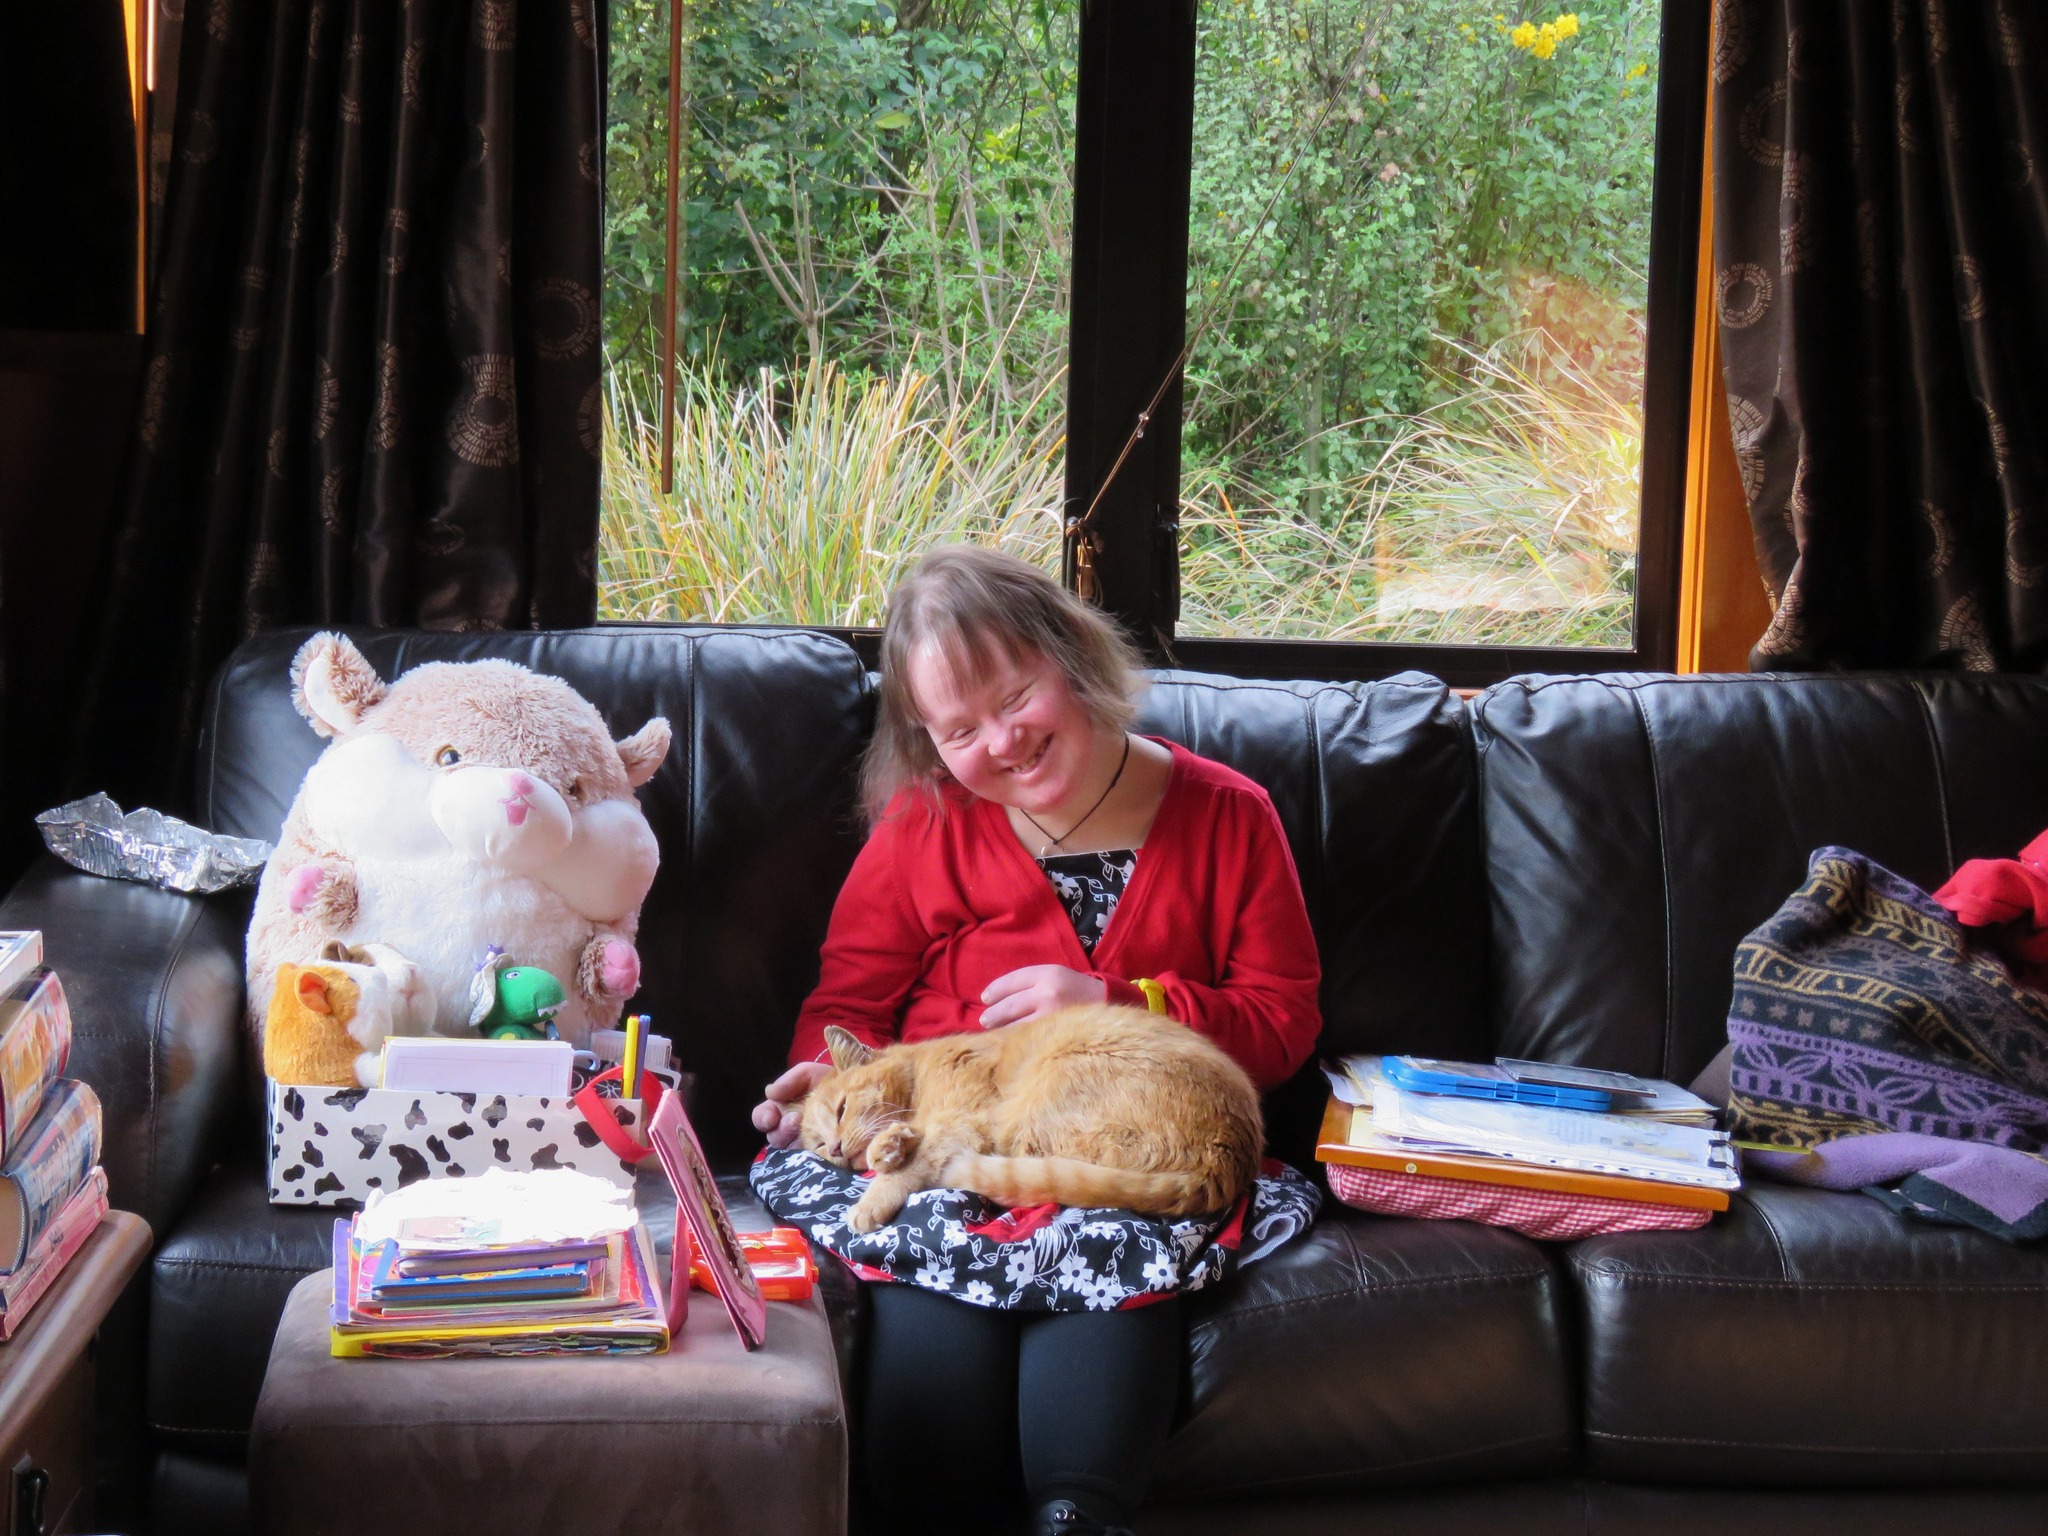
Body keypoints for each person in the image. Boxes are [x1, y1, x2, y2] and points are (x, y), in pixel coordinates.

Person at [752, 544, 1321, 1536]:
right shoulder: (924, 824)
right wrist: (819, 1080)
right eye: (959, 729)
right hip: (944, 1149)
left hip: (1125, 1149)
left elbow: (1281, 1022)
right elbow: (850, 1005)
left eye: (1015, 698)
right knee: (930, 1294)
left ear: (1073, 658)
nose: (1002, 742)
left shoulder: (1230, 814)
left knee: (1112, 1261)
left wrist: (1118, 1000)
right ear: (928, 742)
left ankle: (1076, 1513)